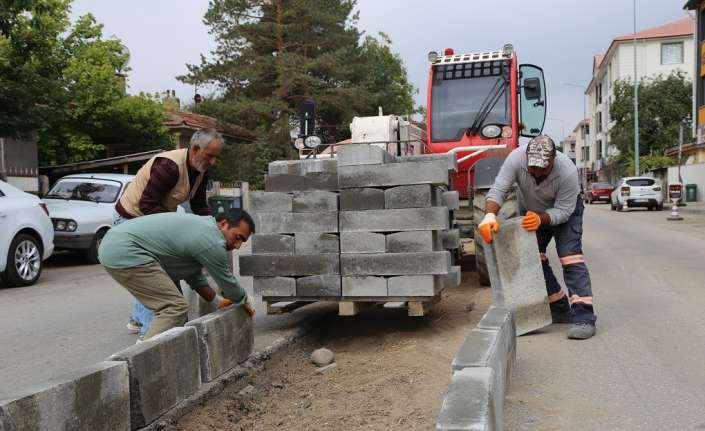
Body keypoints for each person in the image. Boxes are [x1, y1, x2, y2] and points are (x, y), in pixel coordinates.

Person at [478, 135, 596, 340]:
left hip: (564, 213)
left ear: (553, 160)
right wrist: (489, 215)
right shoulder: (516, 159)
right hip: (532, 210)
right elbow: (499, 189)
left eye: (543, 167)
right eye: (533, 167)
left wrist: (541, 219)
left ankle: (584, 316)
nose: (537, 172)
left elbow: (564, 211)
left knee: (570, 257)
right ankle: (559, 307)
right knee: (532, 258)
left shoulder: (567, 171)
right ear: (526, 157)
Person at [114, 128, 224, 337]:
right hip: (130, 220)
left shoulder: (200, 170)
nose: (213, 161)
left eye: (215, 156)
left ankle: (138, 319)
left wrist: (214, 227)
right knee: (155, 275)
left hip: (152, 219)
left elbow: (199, 205)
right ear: (195, 149)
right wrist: (178, 228)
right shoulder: (169, 167)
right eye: (210, 155)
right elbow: (147, 205)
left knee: (150, 273)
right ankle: (150, 339)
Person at [99, 209, 255, 340]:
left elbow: (194, 275)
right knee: (174, 307)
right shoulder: (212, 241)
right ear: (223, 224)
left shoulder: (204, 228)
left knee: (177, 314)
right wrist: (245, 299)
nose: (237, 246)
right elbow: (227, 282)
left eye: (242, 241)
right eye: (237, 237)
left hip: (117, 244)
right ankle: (142, 358)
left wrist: (216, 301)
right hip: (126, 250)